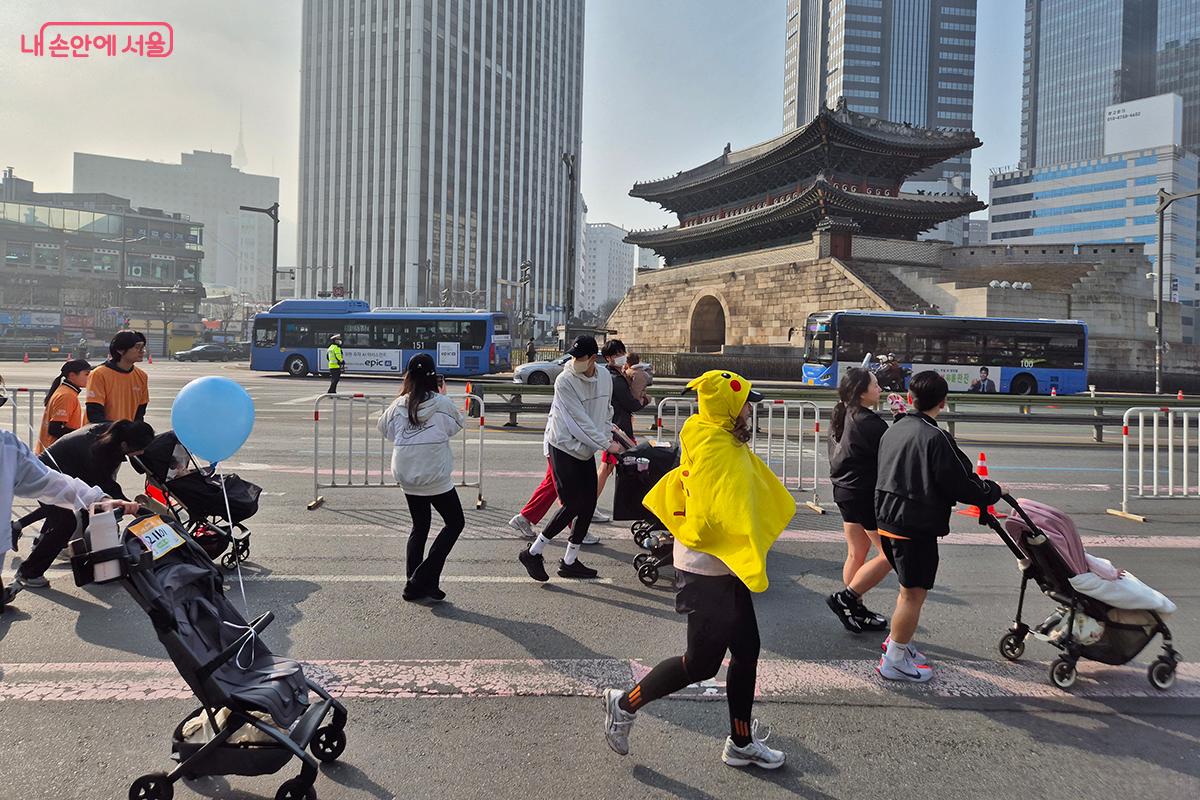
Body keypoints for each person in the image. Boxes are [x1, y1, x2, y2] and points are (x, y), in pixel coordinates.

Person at [602, 370, 795, 769]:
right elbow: (715, 510)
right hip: (708, 569)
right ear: (728, 406)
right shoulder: (715, 447)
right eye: (746, 404)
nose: (750, 411)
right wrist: (741, 535)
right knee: (700, 664)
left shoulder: (711, 433)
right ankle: (624, 703)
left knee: (747, 651)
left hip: (726, 565)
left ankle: (741, 742)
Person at [874, 370, 1003, 682]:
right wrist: (993, 492)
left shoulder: (895, 429)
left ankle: (900, 643)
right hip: (914, 524)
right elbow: (961, 484)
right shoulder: (936, 437)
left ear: (910, 398)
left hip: (885, 516)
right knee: (913, 595)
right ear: (943, 402)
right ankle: (894, 660)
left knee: (906, 590)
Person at [1, 394, 138, 609]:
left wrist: (99, 498)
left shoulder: (7, 446)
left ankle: (28, 560)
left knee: (64, 519)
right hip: (56, 466)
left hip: (56, 474)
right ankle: (30, 570)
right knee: (65, 521)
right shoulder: (97, 445)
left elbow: (49, 482)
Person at [517, 335, 621, 581]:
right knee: (573, 504)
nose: (574, 361)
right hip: (563, 446)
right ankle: (533, 553)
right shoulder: (565, 380)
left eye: (580, 357)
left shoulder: (604, 377)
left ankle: (570, 560)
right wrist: (607, 444)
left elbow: (606, 411)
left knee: (589, 503)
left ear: (593, 358)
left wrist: (608, 433)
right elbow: (579, 421)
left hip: (586, 447)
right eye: (573, 357)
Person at [13, 419, 155, 590]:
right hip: (48, 475)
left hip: (68, 475)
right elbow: (105, 484)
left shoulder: (114, 435)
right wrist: (130, 506)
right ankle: (29, 573)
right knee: (65, 523)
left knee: (84, 514)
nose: (142, 453)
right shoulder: (100, 450)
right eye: (140, 449)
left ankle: (94, 566)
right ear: (125, 445)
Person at [377, 354, 465, 603]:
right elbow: (457, 425)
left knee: (420, 526)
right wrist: (443, 395)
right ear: (433, 378)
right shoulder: (442, 403)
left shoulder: (399, 404)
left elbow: (384, 429)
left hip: (406, 473)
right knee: (455, 522)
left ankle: (416, 585)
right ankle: (422, 577)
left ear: (408, 377)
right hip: (434, 473)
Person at [825, 367, 892, 633]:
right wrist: (901, 417)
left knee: (857, 552)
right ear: (862, 392)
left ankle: (855, 609)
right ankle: (847, 599)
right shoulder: (869, 422)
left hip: (844, 491)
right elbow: (894, 451)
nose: (880, 389)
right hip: (864, 493)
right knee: (890, 554)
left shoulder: (842, 413)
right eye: (875, 385)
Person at [594, 339, 646, 520]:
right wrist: (644, 400)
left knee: (609, 469)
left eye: (622, 353)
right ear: (608, 358)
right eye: (616, 354)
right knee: (608, 469)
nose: (621, 357)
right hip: (618, 432)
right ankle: (589, 506)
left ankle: (591, 506)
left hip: (617, 429)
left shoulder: (613, 375)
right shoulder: (615, 379)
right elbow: (631, 404)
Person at [86, 331, 149, 424]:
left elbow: (139, 414)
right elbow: (95, 415)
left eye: (143, 347)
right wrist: (118, 429)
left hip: (126, 431)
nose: (142, 351)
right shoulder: (99, 374)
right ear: (120, 350)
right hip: (101, 431)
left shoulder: (142, 376)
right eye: (137, 347)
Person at [36, 359, 91, 455]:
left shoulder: (66, 392)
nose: (90, 377)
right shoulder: (67, 395)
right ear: (72, 375)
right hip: (56, 453)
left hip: (53, 451)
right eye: (86, 374)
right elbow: (55, 429)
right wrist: (82, 435)